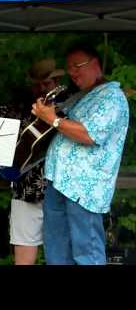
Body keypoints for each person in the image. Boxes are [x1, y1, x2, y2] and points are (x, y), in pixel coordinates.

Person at [32, 44, 129, 265]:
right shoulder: (84, 96)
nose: (73, 72)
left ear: (95, 64)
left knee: (88, 253)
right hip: (59, 182)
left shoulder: (111, 97)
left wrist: (53, 119)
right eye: (69, 68)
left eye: (78, 66)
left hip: (84, 189)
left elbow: (89, 135)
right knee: (56, 252)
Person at [0, 58, 64, 265]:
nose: (41, 89)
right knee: (23, 251)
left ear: (57, 82)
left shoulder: (69, 106)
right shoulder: (20, 106)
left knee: (61, 251)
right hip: (25, 186)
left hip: (62, 188)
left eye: (46, 84)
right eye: (37, 84)